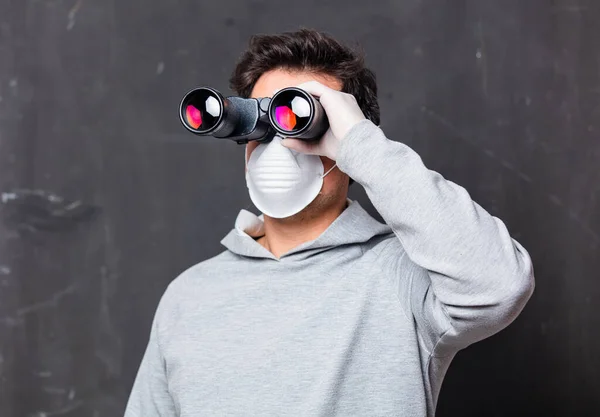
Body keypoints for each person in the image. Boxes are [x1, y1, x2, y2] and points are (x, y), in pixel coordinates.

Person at [124, 29, 535, 417]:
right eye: (262, 126)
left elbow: (499, 286)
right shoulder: (188, 296)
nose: (281, 147)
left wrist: (362, 145)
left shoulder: (403, 277)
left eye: (299, 122)